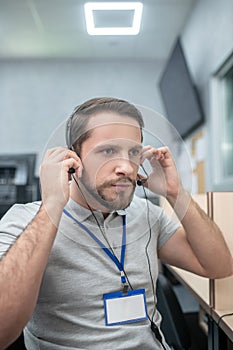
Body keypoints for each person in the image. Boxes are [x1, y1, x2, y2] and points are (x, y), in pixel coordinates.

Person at [0, 97, 232, 350]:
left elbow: (218, 266)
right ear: (73, 158)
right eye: (108, 151)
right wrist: (52, 206)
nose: (125, 166)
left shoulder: (145, 213)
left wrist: (176, 193)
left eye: (133, 152)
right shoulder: (26, 220)